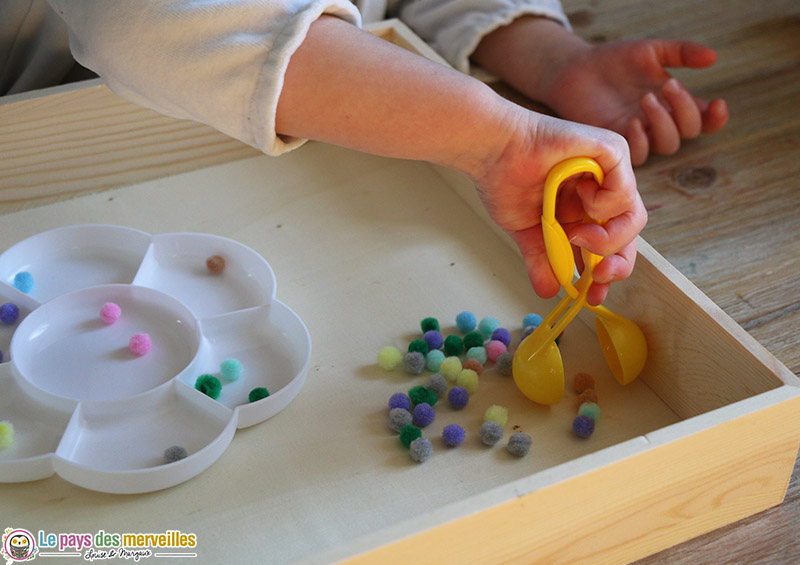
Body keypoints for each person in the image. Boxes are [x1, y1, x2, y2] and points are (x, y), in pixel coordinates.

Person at [0, 1, 726, 304]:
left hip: (341, 145)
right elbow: (145, 23)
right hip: (68, 167)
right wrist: (493, 138)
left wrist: (546, 54)